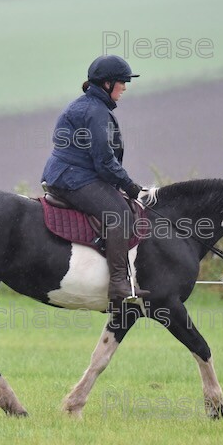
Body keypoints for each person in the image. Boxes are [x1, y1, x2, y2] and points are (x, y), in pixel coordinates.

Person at [42, 55, 150, 304]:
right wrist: (129, 186)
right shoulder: (95, 112)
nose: (125, 87)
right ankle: (118, 285)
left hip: (72, 174)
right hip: (73, 178)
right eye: (122, 82)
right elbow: (104, 160)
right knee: (120, 214)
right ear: (107, 84)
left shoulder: (90, 106)